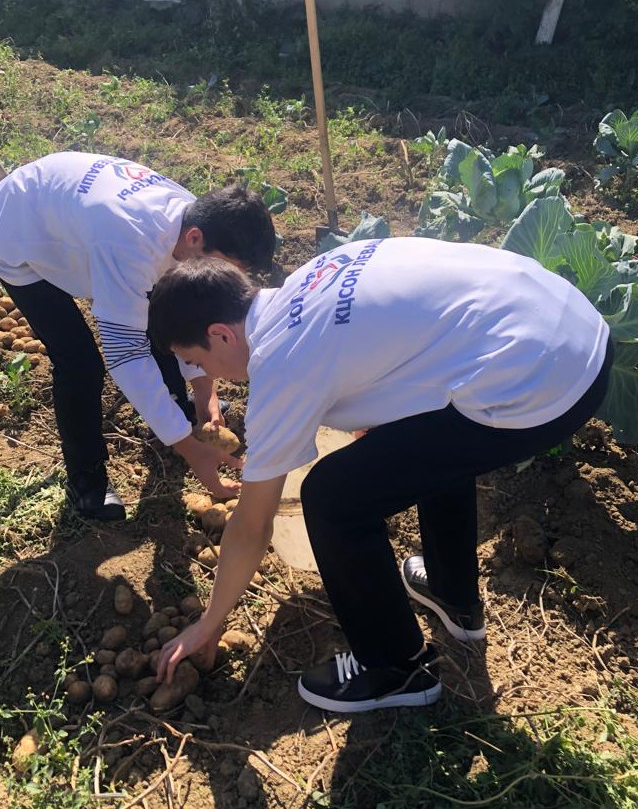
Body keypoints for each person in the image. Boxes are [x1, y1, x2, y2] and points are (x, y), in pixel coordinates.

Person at [148, 237, 613, 713]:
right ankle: (453, 596)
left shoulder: (281, 364)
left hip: (545, 382)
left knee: (333, 497)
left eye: (201, 361)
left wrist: (208, 622)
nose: (212, 375)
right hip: (573, 327)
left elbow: (251, 525)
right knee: (430, 436)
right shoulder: (314, 276)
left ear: (222, 334)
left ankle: (397, 668)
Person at [0, 152, 275, 522]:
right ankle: (87, 484)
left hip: (69, 216)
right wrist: (191, 451)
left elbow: (183, 313)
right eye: (228, 267)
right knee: (80, 362)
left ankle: (176, 409)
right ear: (196, 239)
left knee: (156, 313)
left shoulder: (190, 222)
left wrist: (203, 392)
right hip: (20, 236)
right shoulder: (129, 243)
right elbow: (125, 354)